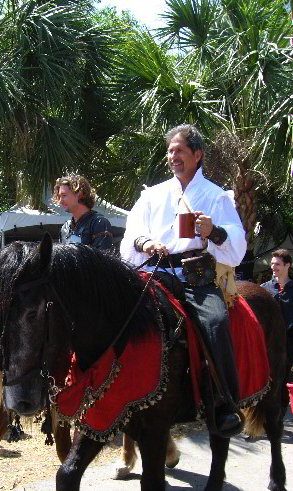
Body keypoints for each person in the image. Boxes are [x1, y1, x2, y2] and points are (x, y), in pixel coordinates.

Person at [120, 124, 247, 437]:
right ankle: (115, 391)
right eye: (170, 150)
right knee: (120, 315)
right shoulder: (153, 196)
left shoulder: (217, 197)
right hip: (156, 272)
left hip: (196, 277)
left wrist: (213, 232)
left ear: (197, 154)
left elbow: (238, 249)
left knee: (216, 322)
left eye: (179, 150)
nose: (172, 156)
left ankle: (224, 403)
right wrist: (145, 243)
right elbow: (129, 237)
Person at [55, 174, 114, 251]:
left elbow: (102, 260)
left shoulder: (99, 223)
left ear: (79, 193)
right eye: (59, 196)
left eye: (64, 195)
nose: (60, 201)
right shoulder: (65, 228)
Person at [261, 249, 293, 382]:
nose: (273, 267)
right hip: (269, 341)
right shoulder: (264, 288)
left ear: (287, 265)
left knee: (285, 378)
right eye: (272, 263)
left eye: (277, 264)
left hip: (289, 343)